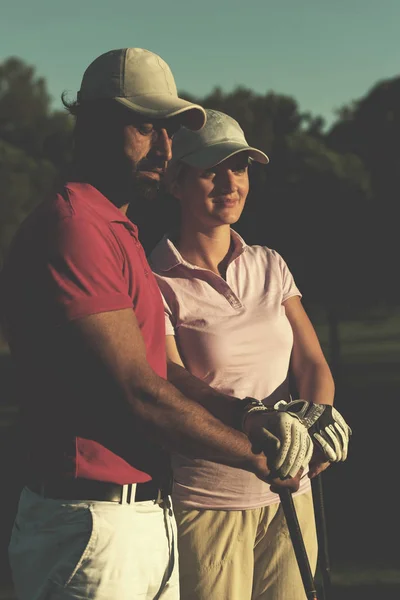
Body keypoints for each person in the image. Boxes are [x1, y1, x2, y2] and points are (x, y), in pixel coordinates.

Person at [0, 51, 313, 600]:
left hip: (142, 514)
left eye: (170, 132)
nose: (165, 149)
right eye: (147, 128)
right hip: (88, 523)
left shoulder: (118, 229)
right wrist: (258, 456)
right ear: (94, 124)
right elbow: (137, 391)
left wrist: (251, 416)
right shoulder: (74, 226)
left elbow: (160, 373)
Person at [149, 109, 352, 600]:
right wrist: (252, 419)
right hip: (208, 500)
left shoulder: (270, 263)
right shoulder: (154, 277)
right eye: (210, 169)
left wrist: (318, 416)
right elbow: (172, 377)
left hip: (292, 489)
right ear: (176, 183)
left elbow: (311, 362)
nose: (229, 182)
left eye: (239, 167)